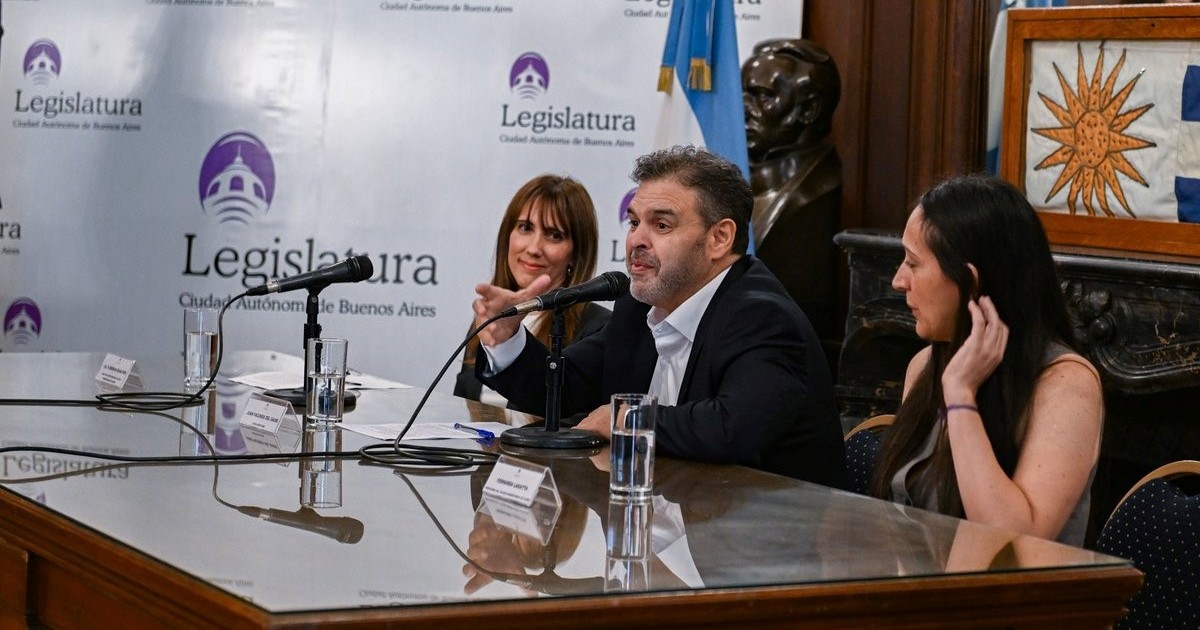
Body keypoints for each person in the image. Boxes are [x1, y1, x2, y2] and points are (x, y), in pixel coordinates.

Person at [472, 146, 847, 488]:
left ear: (719, 238)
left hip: (762, 532)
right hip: (661, 519)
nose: (636, 240)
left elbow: (732, 428)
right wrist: (507, 339)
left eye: (661, 225)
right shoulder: (639, 308)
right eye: (634, 222)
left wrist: (624, 418)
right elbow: (561, 388)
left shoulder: (762, 316)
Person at [870, 174, 1103, 546]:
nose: (899, 280)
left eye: (913, 264)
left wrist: (961, 395)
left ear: (970, 282)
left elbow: (1014, 540)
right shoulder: (924, 365)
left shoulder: (1066, 384)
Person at [454, 174, 610, 406]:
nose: (534, 248)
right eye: (525, 228)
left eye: (554, 235)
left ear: (576, 254)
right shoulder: (491, 319)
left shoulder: (598, 328)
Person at [742, 38, 842, 338]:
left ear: (809, 110)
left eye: (761, 96)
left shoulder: (818, 192)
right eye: (742, 94)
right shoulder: (733, 181)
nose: (743, 109)